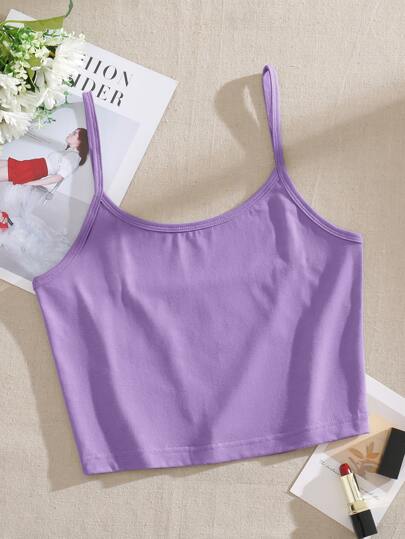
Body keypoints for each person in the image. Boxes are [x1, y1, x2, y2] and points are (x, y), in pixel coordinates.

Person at [0, 128, 89, 187]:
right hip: (28, 165)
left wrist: (32, 183)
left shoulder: (74, 157)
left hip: (30, 170)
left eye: (74, 133)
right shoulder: (70, 152)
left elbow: (59, 177)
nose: (70, 133)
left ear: (81, 141)